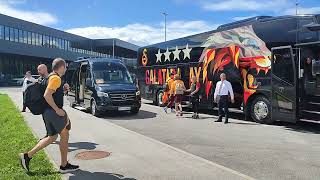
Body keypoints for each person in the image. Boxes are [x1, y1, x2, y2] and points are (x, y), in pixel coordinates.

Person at [20, 58, 79, 173]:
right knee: (64, 133)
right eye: (65, 67)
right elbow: (47, 95)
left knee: (52, 137)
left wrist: (63, 89)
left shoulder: (49, 77)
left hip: (47, 112)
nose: (66, 69)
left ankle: (27, 156)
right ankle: (63, 165)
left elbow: (51, 92)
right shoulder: (55, 78)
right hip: (53, 113)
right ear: (62, 67)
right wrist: (57, 110)